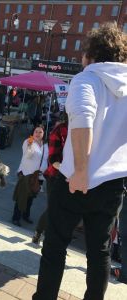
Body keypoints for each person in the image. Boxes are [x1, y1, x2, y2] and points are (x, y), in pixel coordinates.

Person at [32, 22, 127, 300]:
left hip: (75, 178)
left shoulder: (87, 79)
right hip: (112, 183)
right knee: (99, 253)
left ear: (91, 54)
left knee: (55, 247)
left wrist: (82, 171)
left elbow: (83, 119)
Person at [32, 114, 68, 244]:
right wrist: (69, 172)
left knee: (64, 210)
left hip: (73, 177)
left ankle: (51, 235)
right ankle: (39, 232)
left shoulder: (89, 128)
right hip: (56, 176)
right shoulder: (60, 130)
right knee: (53, 207)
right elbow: (53, 159)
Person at [12, 125, 48, 226]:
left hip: (38, 176)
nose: (38, 134)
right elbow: (27, 155)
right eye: (36, 131)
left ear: (43, 134)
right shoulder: (28, 141)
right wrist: (30, 146)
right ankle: (16, 217)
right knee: (21, 197)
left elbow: (46, 159)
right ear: (33, 132)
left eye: (40, 132)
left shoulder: (45, 146)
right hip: (26, 174)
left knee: (31, 198)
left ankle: (25, 215)